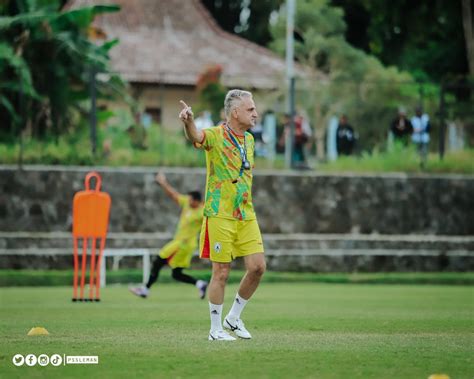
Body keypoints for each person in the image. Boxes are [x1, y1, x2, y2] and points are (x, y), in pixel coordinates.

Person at [178, 89, 266, 341]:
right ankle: (215, 329)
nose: (255, 113)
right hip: (219, 213)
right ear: (235, 112)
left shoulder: (249, 140)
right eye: (250, 109)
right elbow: (196, 136)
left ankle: (233, 318)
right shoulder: (216, 135)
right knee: (221, 272)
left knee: (258, 267)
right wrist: (189, 121)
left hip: (245, 214)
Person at [129, 173, 208, 299]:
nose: (189, 201)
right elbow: (173, 195)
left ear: (198, 201)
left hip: (183, 244)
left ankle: (145, 289)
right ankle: (200, 284)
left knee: (158, 261)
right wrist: (163, 182)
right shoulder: (187, 203)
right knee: (176, 274)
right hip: (181, 244)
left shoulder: (202, 211)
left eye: (192, 200)